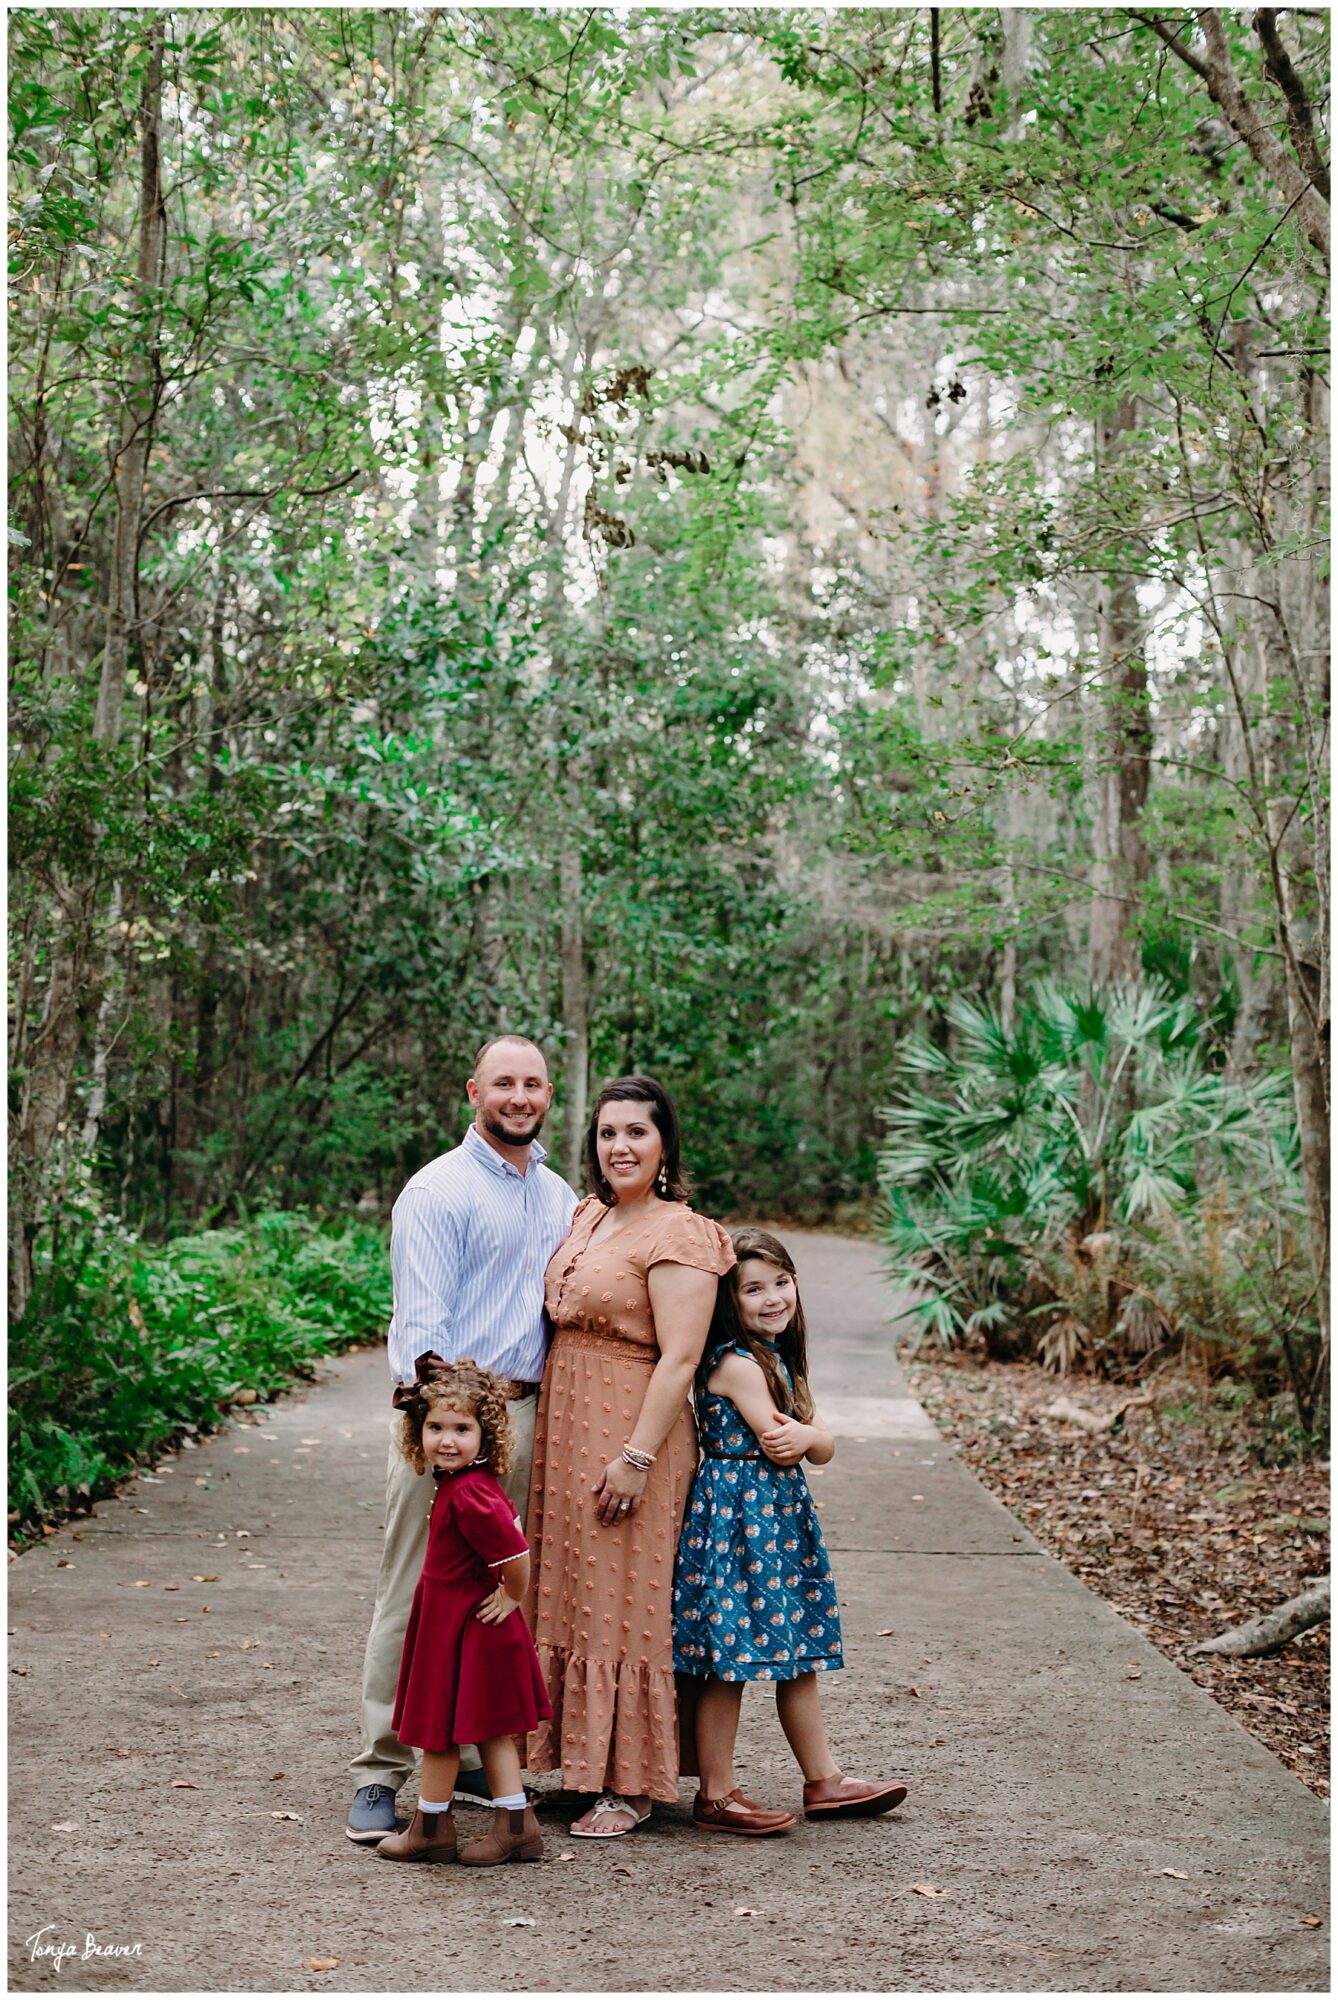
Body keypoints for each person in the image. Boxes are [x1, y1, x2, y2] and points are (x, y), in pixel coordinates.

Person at [345, 1035, 578, 1845]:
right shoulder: (436, 1190)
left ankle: (477, 1755)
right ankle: (381, 1769)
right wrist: (448, 1437)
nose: (519, 1096)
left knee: (496, 1597)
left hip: (525, 1418)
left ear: (550, 1094)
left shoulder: (558, 1196)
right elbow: (420, 1328)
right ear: (473, 1089)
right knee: (416, 1586)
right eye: (503, 1082)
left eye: (533, 1083)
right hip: (442, 1420)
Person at [525, 1076, 734, 1838]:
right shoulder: (588, 1217)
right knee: (576, 1594)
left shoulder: (682, 1233)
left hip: (631, 1427)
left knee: (626, 1601)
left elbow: (680, 1358)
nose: (620, 1146)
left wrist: (637, 1457)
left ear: (665, 1144)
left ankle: (635, 1786)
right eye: (608, 1133)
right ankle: (585, 1768)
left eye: (636, 1133)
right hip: (568, 1422)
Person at [672, 1226, 909, 1833]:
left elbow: (818, 1443)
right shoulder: (738, 1365)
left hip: (774, 1522)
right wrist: (808, 1437)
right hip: (739, 1521)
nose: (773, 1297)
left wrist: (810, 1437)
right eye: (754, 1288)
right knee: (728, 1661)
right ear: (730, 1300)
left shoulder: (777, 1357)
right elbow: (788, 1444)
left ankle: (823, 1780)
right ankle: (716, 1794)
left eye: (781, 1282)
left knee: (796, 1654)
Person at [375, 1358, 550, 1867]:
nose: (446, 1440)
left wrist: (514, 1595)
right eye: (435, 1427)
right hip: (456, 1625)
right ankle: (516, 1826)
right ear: (418, 1431)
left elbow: (515, 1553)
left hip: (466, 1627)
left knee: (440, 1733)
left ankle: (431, 1829)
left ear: (486, 1434)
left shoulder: (470, 1493)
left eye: (461, 1429)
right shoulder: (461, 1483)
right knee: (490, 1730)